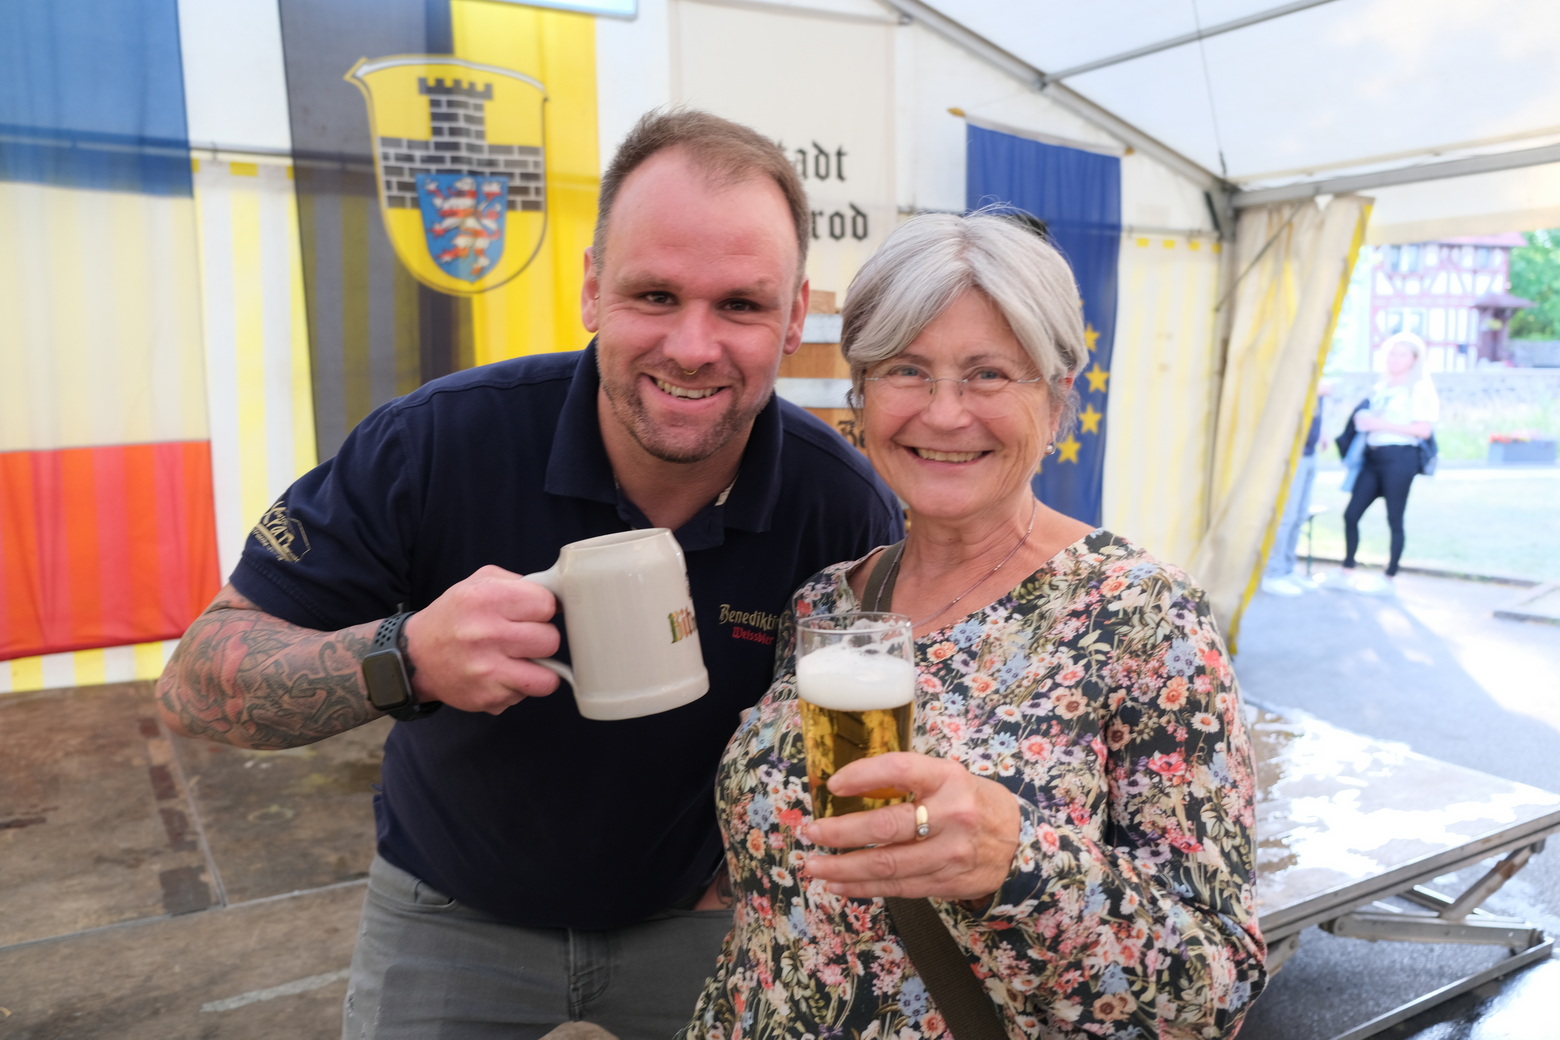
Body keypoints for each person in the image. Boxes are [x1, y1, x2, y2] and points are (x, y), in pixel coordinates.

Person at [155, 109, 904, 1039]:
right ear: (592, 289)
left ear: (794, 318)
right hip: (448, 913)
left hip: (701, 920)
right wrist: (404, 659)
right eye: (655, 295)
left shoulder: (841, 505)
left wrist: (761, 868)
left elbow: (858, 754)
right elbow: (196, 680)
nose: (692, 346)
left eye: (741, 306)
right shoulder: (437, 442)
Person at [684, 212, 1267, 1038]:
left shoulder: (1142, 615)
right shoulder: (827, 603)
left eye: (989, 374)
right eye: (906, 370)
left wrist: (1013, 860)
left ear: (1057, 400)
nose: (945, 413)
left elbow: (1215, 990)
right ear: (862, 393)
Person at [1333, 332, 1439, 595]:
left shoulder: (1419, 388)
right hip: (1372, 457)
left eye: (1402, 354)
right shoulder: (1381, 388)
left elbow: (1423, 430)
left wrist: (1380, 424)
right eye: (1392, 353)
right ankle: (1347, 568)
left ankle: (1390, 575)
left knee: (1394, 517)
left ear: (1414, 359)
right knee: (1351, 514)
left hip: (1400, 458)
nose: (1395, 359)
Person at [1261, 385, 1328, 596]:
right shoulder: (1301, 378)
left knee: (1299, 516)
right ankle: (1273, 573)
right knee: (1286, 517)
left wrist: (1322, 431)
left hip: (1310, 453)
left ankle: (1287, 569)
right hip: (1293, 454)